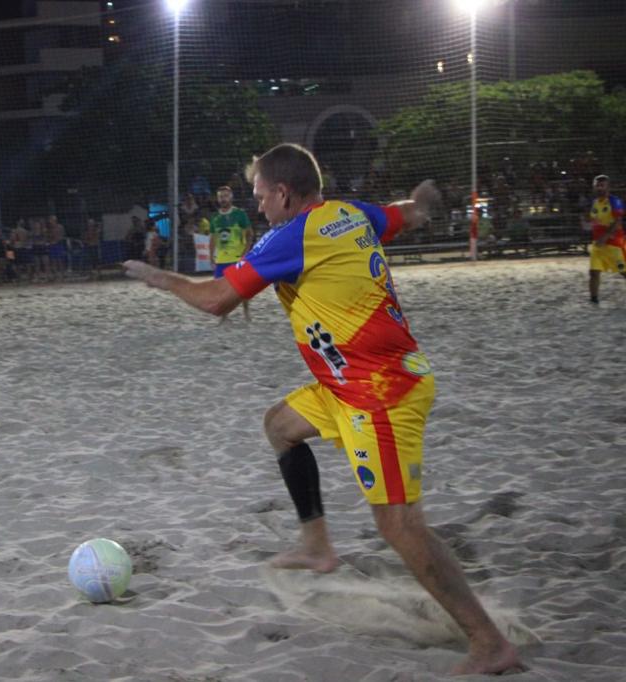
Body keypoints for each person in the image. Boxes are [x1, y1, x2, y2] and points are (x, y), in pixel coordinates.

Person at [123, 143, 522, 676]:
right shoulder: (351, 214)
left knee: (399, 525)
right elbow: (401, 215)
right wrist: (422, 202)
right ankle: (317, 546)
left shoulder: (291, 234)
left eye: (262, 196)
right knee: (281, 426)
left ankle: (488, 642)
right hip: (349, 383)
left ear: (284, 194)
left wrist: (158, 278)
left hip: (377, 392)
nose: (259, 205)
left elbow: (215, 299)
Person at [210, 185, 254, 323]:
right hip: (221, 259)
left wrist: (245, 253)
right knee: (220, 290)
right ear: (218, 199)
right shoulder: (215, 217)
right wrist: (211, 256)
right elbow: (212, 239)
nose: (223, 199)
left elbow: (250, 234)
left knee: (242, 289)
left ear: (231, 197)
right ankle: (224, 317)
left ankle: (246, 312)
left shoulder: (240, 214)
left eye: (226, 196)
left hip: (237, 258)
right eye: (220, 196)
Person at [582, 174, 625, 304]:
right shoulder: (594, 203)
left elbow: (618, 221)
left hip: (614, 243)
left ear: (608, 187)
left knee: (623, 271)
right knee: (594, 272)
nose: (599, 188)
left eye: (602, 185)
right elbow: (592, 219)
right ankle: (593, 300)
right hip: (598, 244)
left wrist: (605, 236)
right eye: (597, 185)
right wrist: (586, 221)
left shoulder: (614, 201)